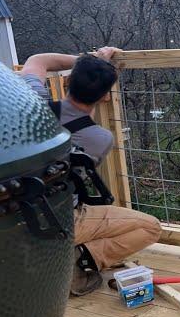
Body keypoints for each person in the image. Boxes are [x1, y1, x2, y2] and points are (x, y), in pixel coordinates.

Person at [19, 47, 161, 296]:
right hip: (63, 219)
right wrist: (99, 67)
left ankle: (52, 256)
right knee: (150, 227)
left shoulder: (33, 104)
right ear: (105, 97)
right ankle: (79, 263)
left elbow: (37, 60)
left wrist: (87, 63)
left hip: (18, 215)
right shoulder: (98, 138)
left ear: (68, 81)